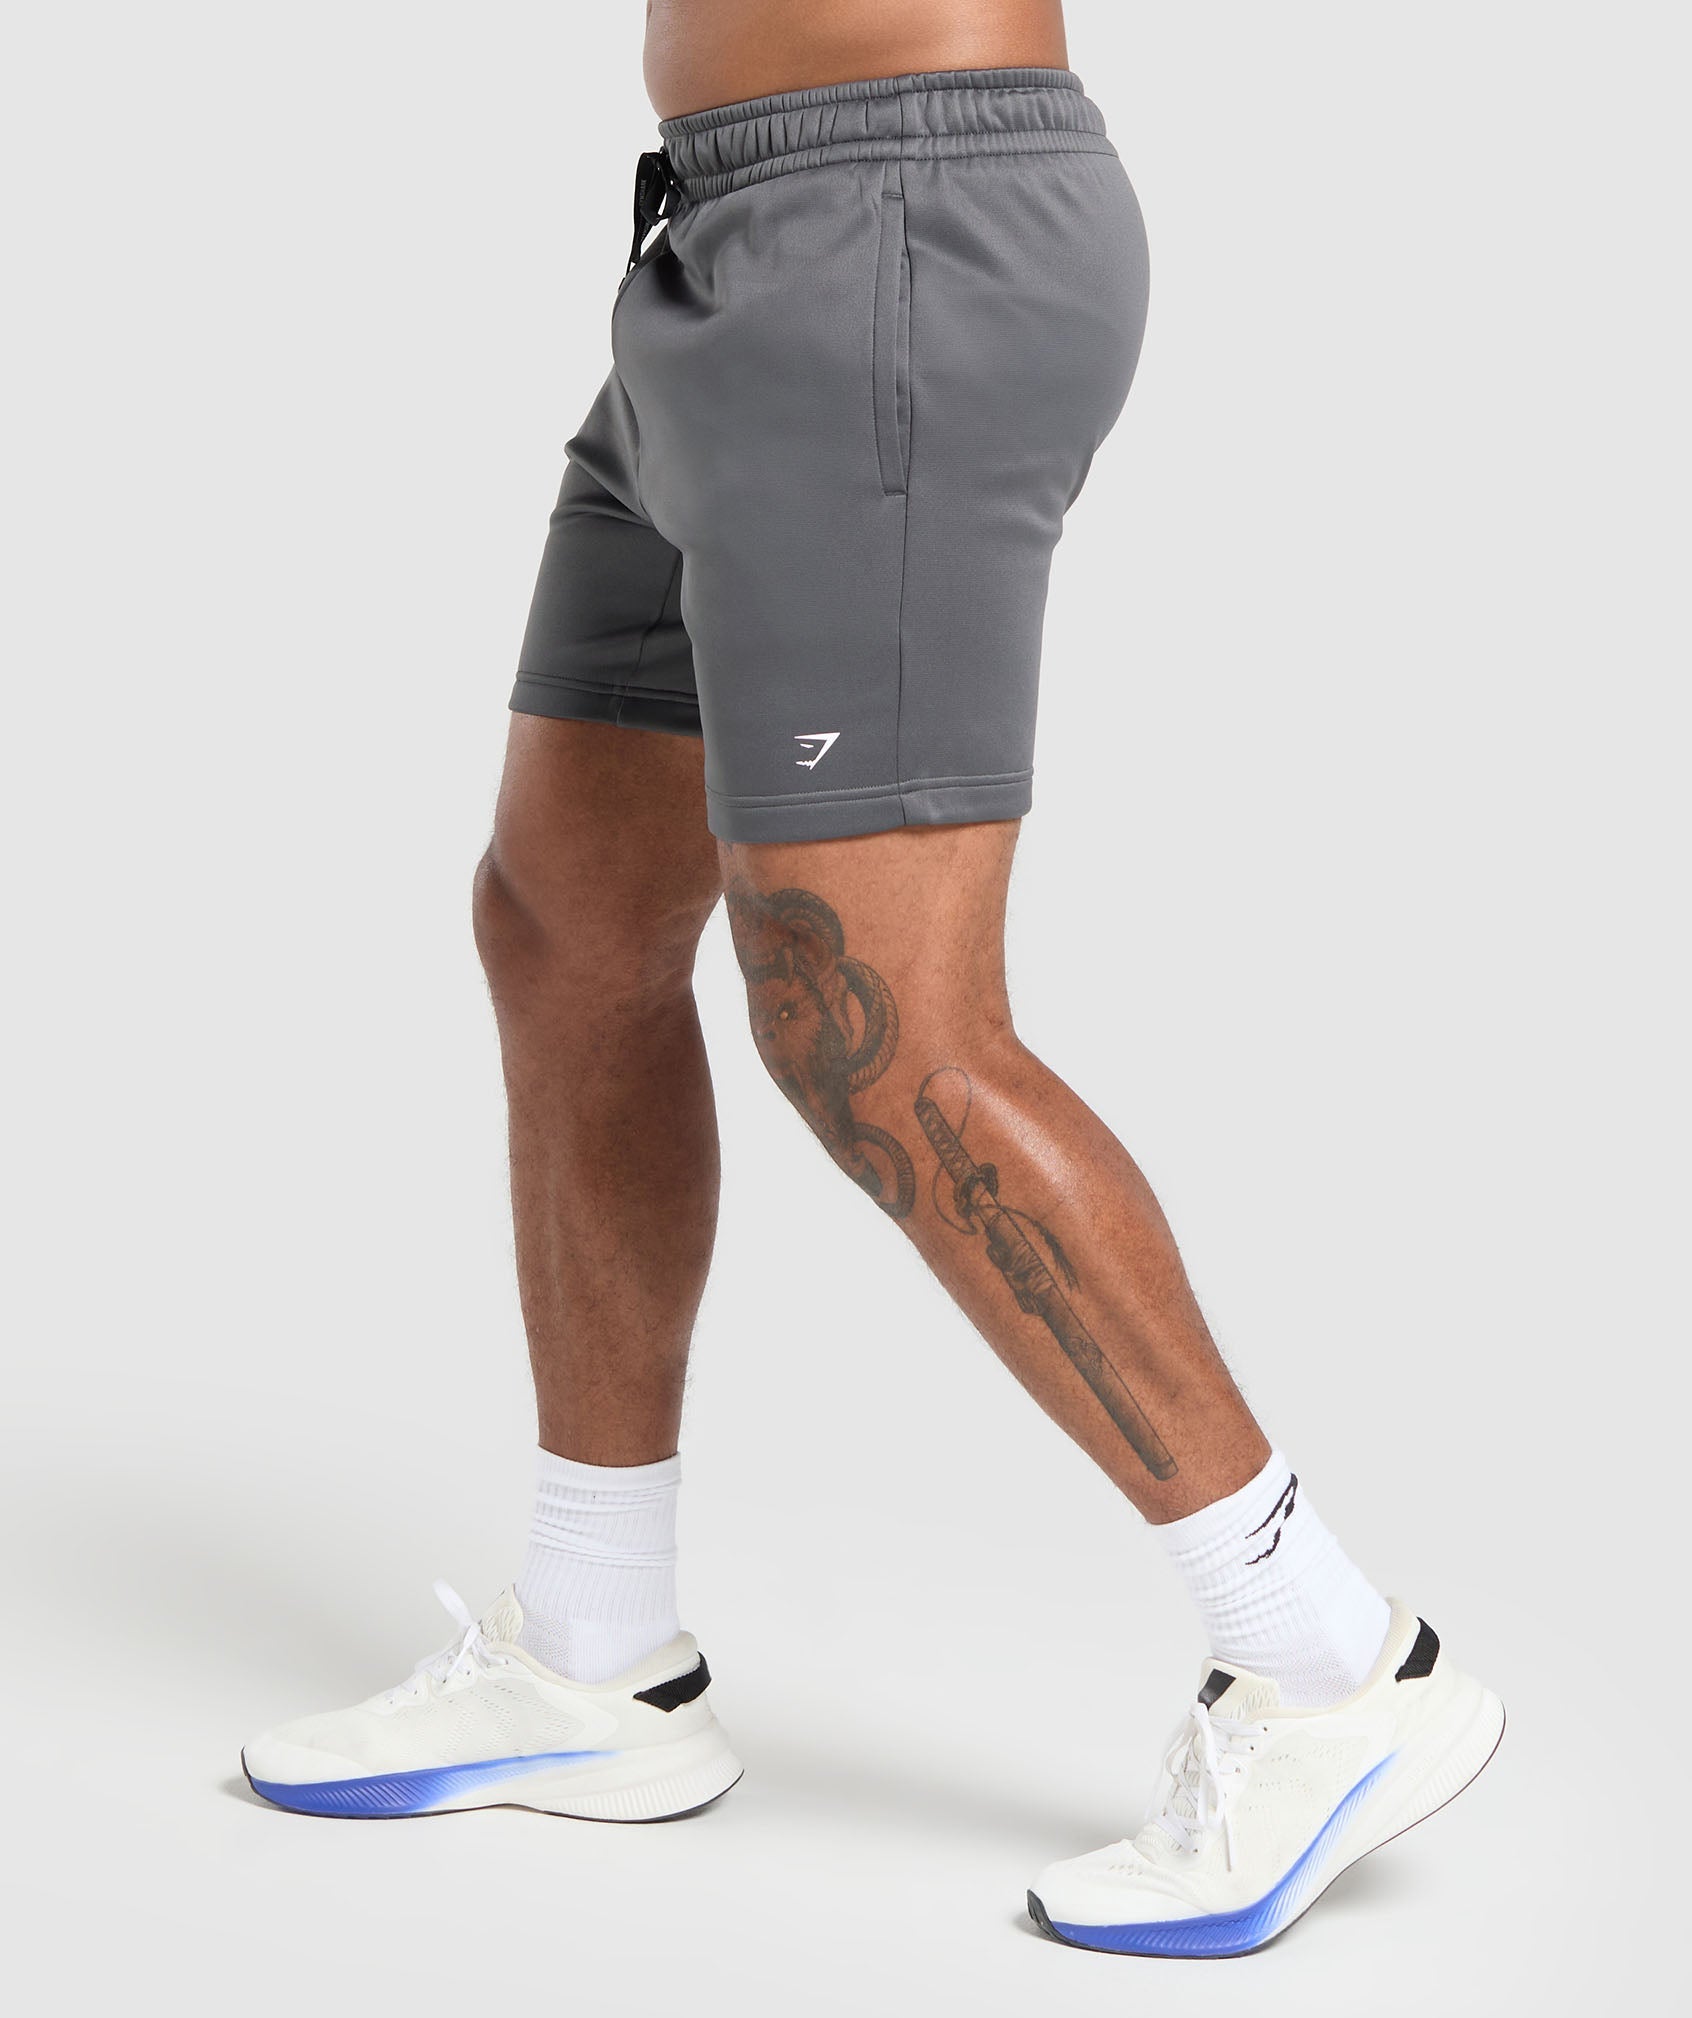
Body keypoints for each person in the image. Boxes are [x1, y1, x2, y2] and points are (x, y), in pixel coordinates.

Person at [242, 0, 1502, 1957]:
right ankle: (596, 1651)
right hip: (725, 248)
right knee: (564, 917)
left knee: (878, 1030)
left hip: (885, 227)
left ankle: (1331, 1656)